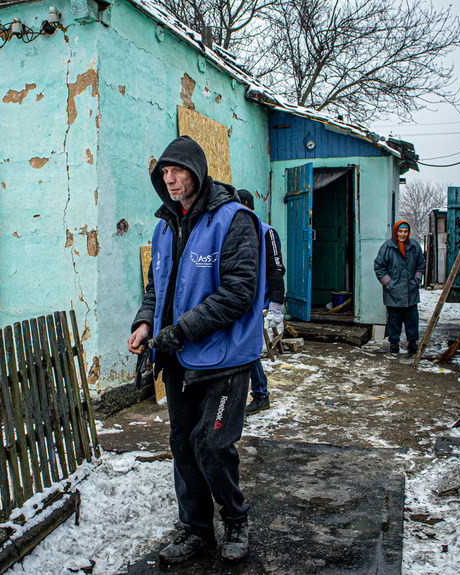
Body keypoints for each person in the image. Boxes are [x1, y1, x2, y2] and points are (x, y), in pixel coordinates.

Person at [128, 136, 264, 565]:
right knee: (183, 445)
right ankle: (197, 531)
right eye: (164, 173)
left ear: (197, 172)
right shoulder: (165, 225)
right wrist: (145, 322)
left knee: (211, 443)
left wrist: (181, 330)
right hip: (178, 358)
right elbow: (157, 289)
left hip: (225, 358)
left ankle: (236, 519)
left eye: (178, 171)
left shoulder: (233, 220)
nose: (169, 179)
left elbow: (240, 292)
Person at [235, 189, 284, 415]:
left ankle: (261, 394)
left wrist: (276, 305)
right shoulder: (234, 231)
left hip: (256, 302)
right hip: (235, 300)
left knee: (249, 349)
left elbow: (275, 270)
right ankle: (250, 394)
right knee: (241, 348)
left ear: (250, 208)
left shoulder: (266, 232)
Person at [373, 220, 425, 354]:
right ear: (395, 232)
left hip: (410, 290)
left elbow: (421, 264)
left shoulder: (414, 246)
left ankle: (412, 342)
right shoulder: (388, 247)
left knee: (412, 318)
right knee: (394, 319)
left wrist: (416, 280)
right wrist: (389, 284)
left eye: (405, 231)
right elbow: (379, 267)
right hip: (393, 292)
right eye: (400, 231)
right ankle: (394, 343)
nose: (402, 234)